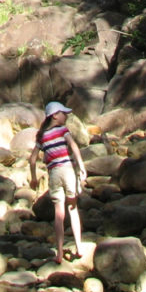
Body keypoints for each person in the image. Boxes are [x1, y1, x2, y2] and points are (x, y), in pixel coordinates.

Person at [29, 101, 87, 265]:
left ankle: (60, 252)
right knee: (73, 208)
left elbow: (32, 160)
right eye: (63, 113)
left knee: (59, 214)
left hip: (53, 174)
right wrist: (81, 165)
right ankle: (79, 247)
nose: (66, 116)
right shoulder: (63, 130)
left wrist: (33, 178)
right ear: (55, 115)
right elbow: (74, 146)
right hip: (68, 170)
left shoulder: (42, 136)